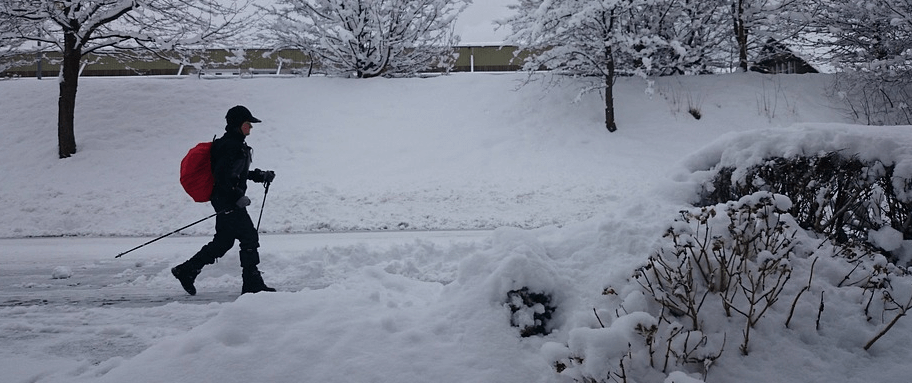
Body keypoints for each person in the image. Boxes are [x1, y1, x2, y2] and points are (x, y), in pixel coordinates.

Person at [171, 105, 277, 295]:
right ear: (238, 124)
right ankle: (252, 284)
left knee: (224, 241)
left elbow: (235, 173)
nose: (251, 128)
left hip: (225, 198)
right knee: (249, 237)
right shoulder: (231, 145)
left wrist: (259, 175)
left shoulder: (234, 143)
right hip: (227, 200)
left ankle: (186, 270)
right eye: (248, 124)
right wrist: (238, 196)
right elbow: (221, 176)